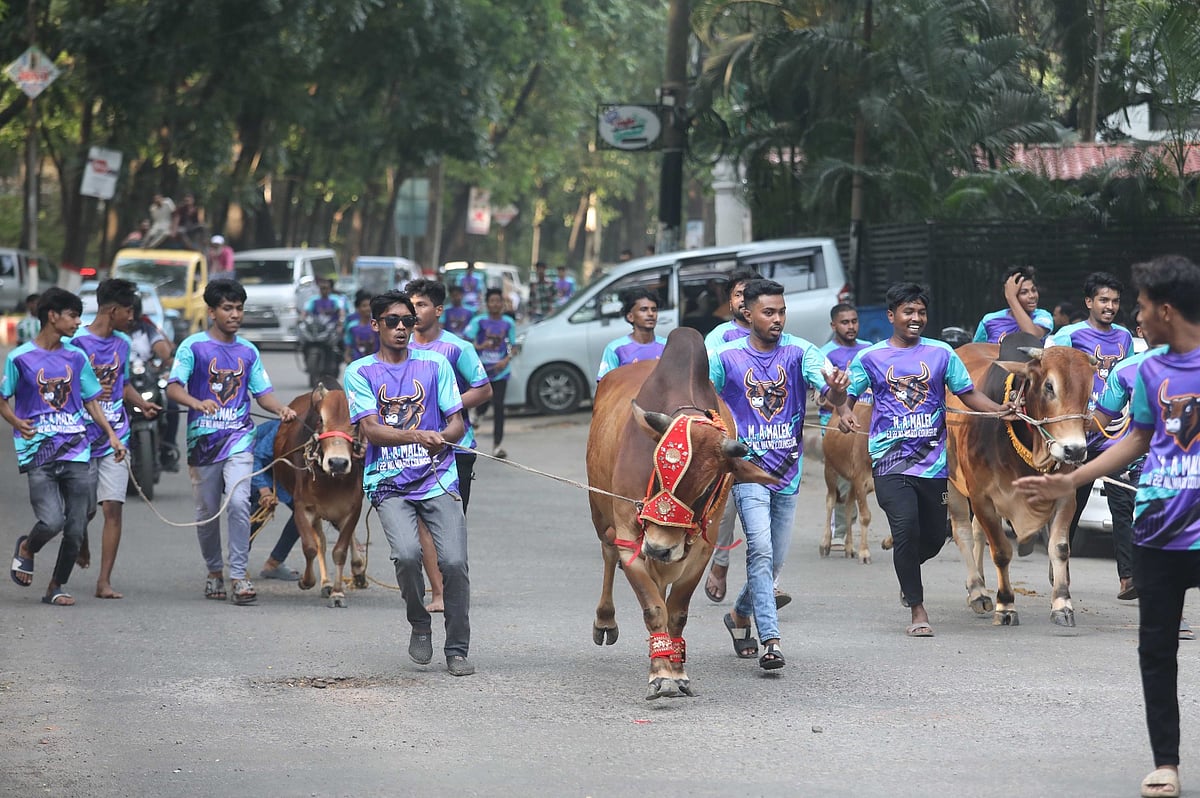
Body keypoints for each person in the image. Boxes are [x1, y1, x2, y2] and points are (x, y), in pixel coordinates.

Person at [1014, 254, 1200, 798]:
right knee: (1157, 651)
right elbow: (1135, 439)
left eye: (1141, 307)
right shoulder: (1144, 371)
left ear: (1167, 310)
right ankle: (1166, 764)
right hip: (1158, 529)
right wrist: (1069, 481)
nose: (1134, 319)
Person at [836, 282, 1016, 637]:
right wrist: (844, 411)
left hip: (933, 465)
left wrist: (1000, 410)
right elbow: (846, 396)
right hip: (890, 460)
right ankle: (918, 609)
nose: (915, 318)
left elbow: (968, 394)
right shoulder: (870, 357)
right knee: (905, 526)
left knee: (933, 537)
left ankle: (906, 566)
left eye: (921, 312)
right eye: (908, 312)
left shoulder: (941, 353)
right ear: (892, 316)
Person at [709, 279, 848, 671]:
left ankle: (739, 615)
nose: (777, 319)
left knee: (773, 561)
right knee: (761, 550)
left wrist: (838, 392)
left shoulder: (801, 351)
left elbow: (831, 392)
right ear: (747, 313)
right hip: (748, 471)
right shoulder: (724, 356)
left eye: (782, 312)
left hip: (788, 473)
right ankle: (771, 639)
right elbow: (703, 403)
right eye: (769, 312)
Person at [343, 290, 474, 676]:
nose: (401, 328)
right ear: (375, 325)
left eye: (408, 321)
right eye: (392, 321)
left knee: (454, 562)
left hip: (438, 477)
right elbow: (371, 430)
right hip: (388, 482)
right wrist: (417, 435)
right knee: (406, 555)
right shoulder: (360, 372)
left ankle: (457, 648)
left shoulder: (436, 365)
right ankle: (419, 622)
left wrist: (444, 437)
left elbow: (457, 422)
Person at [166, 280, 297, 606]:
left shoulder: (248, 352)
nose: (235, 314)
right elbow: (173, 387)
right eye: (228, 308)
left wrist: (280, 409)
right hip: (202, 443)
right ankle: (214, 572)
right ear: (212, 312)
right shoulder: (193, 347)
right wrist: (196, 403)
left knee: (239, 503)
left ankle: (238, 576)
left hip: (239, 439)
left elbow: (262, 394)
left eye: (239, 308)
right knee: (207, 511)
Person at [2, 288, 125, 607]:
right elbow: (3, 399)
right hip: (38, 452)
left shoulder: (77, 357)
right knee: (52, 521)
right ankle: (28, 547)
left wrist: (111, 435)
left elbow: (91, 400)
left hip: (77, 450)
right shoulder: (19, 358)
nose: (78, 322)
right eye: (72, 316)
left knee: (77, 523)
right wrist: (16, 421)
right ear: (52, 316)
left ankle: (56, 586)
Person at [69, 279, 159, 600]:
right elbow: (63, 387)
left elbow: (123, 384)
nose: (132, 317)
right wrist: (89, 391)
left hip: (116, 437)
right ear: (113, 310)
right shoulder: (75, 343)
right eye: (129, 311)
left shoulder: (122, 342)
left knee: (113, 508)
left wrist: (141, 403)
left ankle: (103, 581)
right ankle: (79, 538)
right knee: (83, 511)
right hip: (81, 437)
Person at [407, 278, 492, 612]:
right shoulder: (398, 347)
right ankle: (439, 592)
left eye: (422, 304)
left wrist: (445, 406)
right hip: (410, 449)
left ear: (438, 310)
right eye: (411, 305)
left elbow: (483, 389)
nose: (414, 311)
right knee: (422, 524)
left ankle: (454, 588)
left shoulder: (458, 348)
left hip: (456, 450)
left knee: (450, 526)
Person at [1054, 271, 1136, 598]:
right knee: (1071, 504)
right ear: (1089, 302)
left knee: (1122, 504)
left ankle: (1128, 578)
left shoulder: (1125, 337)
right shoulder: (1068, 336)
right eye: (1103, 300)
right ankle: (1060, 565)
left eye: (1115, 301)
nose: (1110, 306)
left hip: (1113, 435)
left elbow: (1129, 381)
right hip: (1078, 436)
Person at [702, 268, 760, 605]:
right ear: (730, 301)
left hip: (770, 440)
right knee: (726, 511)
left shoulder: (777, 336)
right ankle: (720, 562)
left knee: (765, 515)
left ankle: (769, 583)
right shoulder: (718, 338)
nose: (745, 300)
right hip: (728, 438)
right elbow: (706, 386)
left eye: (751, 293)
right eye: (739, 294)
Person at [818, 303, 873, 547]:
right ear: (833, 325)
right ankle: (841, 530)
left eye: (854, 321)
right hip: (835, 423)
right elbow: (822, 393)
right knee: (843, 478)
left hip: (867, 422)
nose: (850, 326)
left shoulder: (869, 350)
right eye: (844, 322)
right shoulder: (824, 354)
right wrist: (841, 407)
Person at [127, 296, 180, 472]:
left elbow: (165, 352)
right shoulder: (111, 334)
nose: (129, 317)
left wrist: (170, 364)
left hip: (147, 381)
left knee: (171, 406)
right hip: (122, 383)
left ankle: (167, 450)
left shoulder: (148, 329)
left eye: (132, 312)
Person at [464, 288, 517, 459]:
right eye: (492, 301)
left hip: (501, 371)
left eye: (498, 301)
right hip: (482, 371)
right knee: (484, 398)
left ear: (502, 303)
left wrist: (506, 360)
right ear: (487, 304)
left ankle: (497, 446)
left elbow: (513, 345)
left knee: (499, 406)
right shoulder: (478, 321)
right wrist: (480, 347)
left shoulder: (508, 322)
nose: (495, 304)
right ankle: (478, 414)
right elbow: (466, 341)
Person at [248, 418, 300, 581]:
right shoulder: (285, 429)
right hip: (252, 466)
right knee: (261, 507)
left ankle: (274, 563)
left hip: (282, 474)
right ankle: (238, 560)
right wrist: (264, 491)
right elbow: (255, 458)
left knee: (304, 512)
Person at [596, 288, 667, 382]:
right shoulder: (615, 349)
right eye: (643, 309)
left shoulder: (667, 346)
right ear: (630, 317)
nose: (650, 314)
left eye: (654, 310)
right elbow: (604, 385)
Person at [973, 266, 1054, 343]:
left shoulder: (1042, 316)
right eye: (1024, 292)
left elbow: (1032, 336)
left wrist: (1011, 298)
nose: (1032, 296)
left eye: (1034, 290)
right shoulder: (989, 320)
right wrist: (1011, 296)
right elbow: (975, 349)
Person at [344, 289, 379, 363]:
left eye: (369, 305)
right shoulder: (352, 326)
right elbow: (348, 343)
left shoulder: (378, 325)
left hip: (375, 363)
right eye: (364, 306)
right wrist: (347, 356)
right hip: (357, 362)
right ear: (358, 308)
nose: (367, 308)